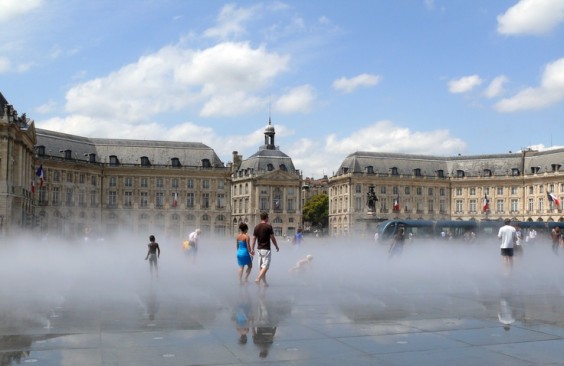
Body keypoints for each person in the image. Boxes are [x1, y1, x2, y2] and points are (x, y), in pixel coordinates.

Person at [252, 212, 280, 287]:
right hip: (266, 249)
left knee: (261, 266)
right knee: (265, 266)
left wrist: (252, 248)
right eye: (268, 217)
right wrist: (276, 246)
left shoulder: (256, 227)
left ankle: (264, 282)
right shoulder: (268, 227)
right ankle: (258, 279)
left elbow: (254, 239)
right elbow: (272, 238)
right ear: (266, 218)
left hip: (259, 249)